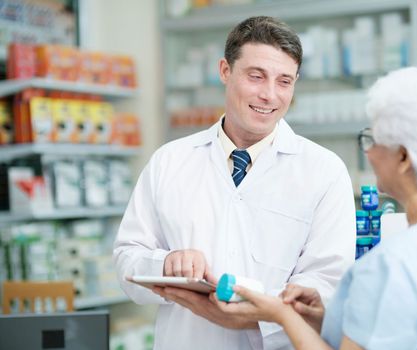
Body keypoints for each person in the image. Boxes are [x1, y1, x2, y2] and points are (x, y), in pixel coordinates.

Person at [215, 67, 417, 349]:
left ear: (403, 158)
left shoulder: (393, 266)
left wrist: (282, 315)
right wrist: (327, 318)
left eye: (373, 140)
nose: (369, 152)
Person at [113, 16, 356, 350]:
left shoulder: (324, 171)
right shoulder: (169, 162)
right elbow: (127, 258)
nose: (270, 94)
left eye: (284, 81)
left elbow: (327, 284)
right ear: (225, 71)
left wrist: (258, 313)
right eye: (256, 76)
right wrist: (165, 264)